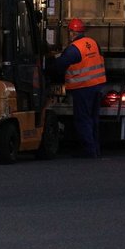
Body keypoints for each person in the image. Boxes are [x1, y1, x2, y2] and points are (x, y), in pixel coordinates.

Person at [53, 18, 106, 158]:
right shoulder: (93, 43)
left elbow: (59, 66)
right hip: (97, 85)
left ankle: (89, 152)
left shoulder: (73, 49)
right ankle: (96, 150)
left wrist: (50, 64)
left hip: (83, 88)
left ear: (71, 33)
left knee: (83, 120)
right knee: (93, 119)